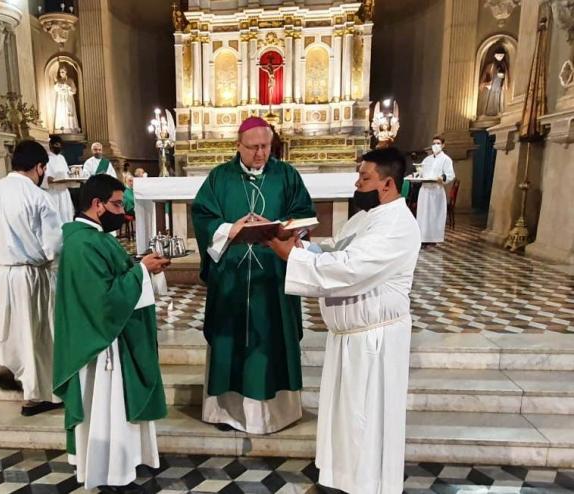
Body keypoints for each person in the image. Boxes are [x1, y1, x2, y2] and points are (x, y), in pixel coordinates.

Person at [267, 147, 421, 494]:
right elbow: (338, 251)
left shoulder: (398, 225)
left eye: (364, 177)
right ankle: (339, 481)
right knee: (345, 419)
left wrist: (291, 256)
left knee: (364, 420)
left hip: (374, 343)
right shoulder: (366, 217)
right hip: (349, 338)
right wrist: (303, 250)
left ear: (387, 183)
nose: (357, 183)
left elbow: (351, 269)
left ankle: (366, 486)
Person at [191, 116, 316, 434]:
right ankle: (227, 413)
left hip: (272, 275)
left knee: (271, 336)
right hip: (232, 276)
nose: (261, 154)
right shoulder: (220, 177)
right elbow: (204, 216)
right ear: (238, 146)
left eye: (266, 147)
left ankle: (276, 414)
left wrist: (278, 228)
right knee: (230, 339)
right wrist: (232, 228)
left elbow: (303, 214)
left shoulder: (286, 174)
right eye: (253, 147)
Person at [53, 174, 170, 494]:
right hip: (99, 343)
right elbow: (103, 302)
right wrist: (142, 269)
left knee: (116, 406)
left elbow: (112, 277)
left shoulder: (94, 237)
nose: (122, 212)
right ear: (96, 204)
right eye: (117, 204)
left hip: (108, 336)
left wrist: (142, 266)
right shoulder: (83, 243)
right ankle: (110, 471)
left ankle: (127, 458)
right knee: (107, 407)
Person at [0, 140, 64, 417]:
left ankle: (9, 374)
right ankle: (37, 395)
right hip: (30, 274)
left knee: (7, 331)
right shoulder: (38, 198)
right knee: (34, 334)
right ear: (39, 167)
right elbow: (54, 246)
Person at [417, 135, 455, 244]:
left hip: (436, 190)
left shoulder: (446, 159)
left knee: (434, 215)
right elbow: (421, 172)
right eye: (434, 143)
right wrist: (418, 174)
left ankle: (432, 238)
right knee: (423, 214)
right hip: (425, 189)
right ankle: (422, 237)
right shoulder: (427, 159)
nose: (435, 145)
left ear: (443, 145)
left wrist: (442, 178)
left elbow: (450, 175)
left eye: (438, 143)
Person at [41, 135, 75, 222]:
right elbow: (43, 176)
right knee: (56, 217)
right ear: (50, 145)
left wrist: (71, 176)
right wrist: (47, 179)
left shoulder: (61, 158)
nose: (58, 147)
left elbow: (66, 172)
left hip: (64, 192)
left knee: (66, 216)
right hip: (53, 192)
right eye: (56, 144)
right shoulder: (46, 158)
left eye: (60, 145)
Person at [53, 64, 81, 134]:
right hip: (61, 100)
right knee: (62, 112)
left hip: (68, 99)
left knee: (69, 111)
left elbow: (74, 90)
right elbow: (56, 89)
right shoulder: (58, 81)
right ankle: (62, 127)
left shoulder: (70, 80)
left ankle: (70, 127)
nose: (61, 74)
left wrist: (68, 88)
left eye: (62, 72)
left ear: (66, 72)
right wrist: (59, 86)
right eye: (60, 72)